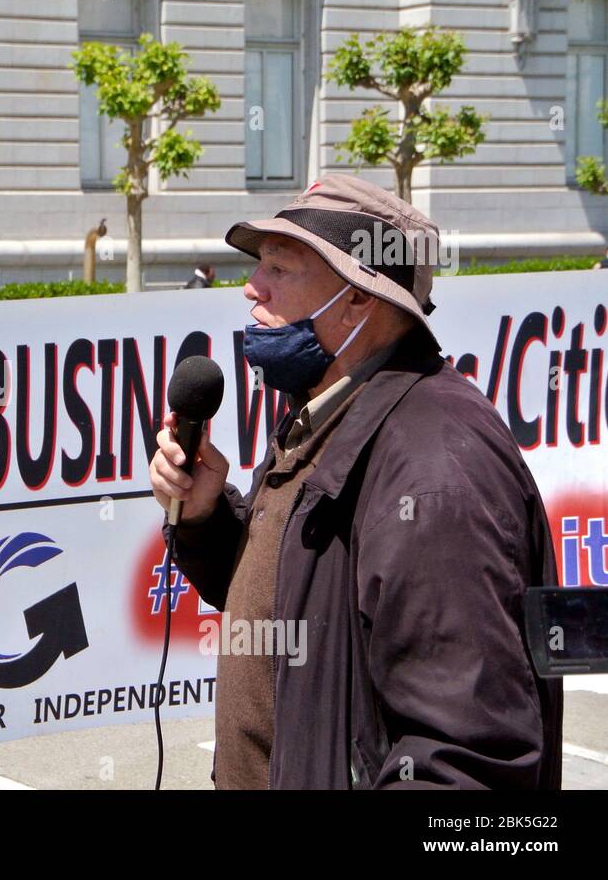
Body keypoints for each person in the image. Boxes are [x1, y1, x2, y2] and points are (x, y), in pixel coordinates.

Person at [148, 174, 562, 789]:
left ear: (360, 299)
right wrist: (209, 519)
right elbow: (304, 592)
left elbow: (470, 766)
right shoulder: (332, 409)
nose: (250, 288)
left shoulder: (435, 471)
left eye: (280, 270)